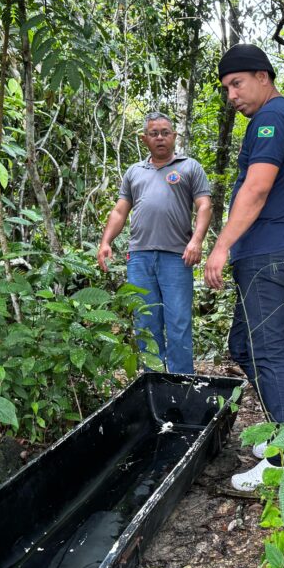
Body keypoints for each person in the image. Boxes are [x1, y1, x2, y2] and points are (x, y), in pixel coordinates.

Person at [203, 44, 284, 491]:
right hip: (269, 251)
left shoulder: (272, 117)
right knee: (243, 345)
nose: (231, 95)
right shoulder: (283, 119)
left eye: (237, 83)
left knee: (267, 351)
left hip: (268, 250)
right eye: (226, 88)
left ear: (263, 76)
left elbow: (257, 188)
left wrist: (220, 246)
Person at [98, 112, 213, 375]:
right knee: (145, 320)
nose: (160, 137)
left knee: (179, 321)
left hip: (176, 256)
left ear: (174, 136)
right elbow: (119, 211)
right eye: (154, 133)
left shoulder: (189, 167)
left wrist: (196, 241)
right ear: (144, 138)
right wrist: (106, 241)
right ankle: (153, 382)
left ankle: (182, 381)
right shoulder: (134, 172)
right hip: (139, 257)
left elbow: (204, 205)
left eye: (165, 132)